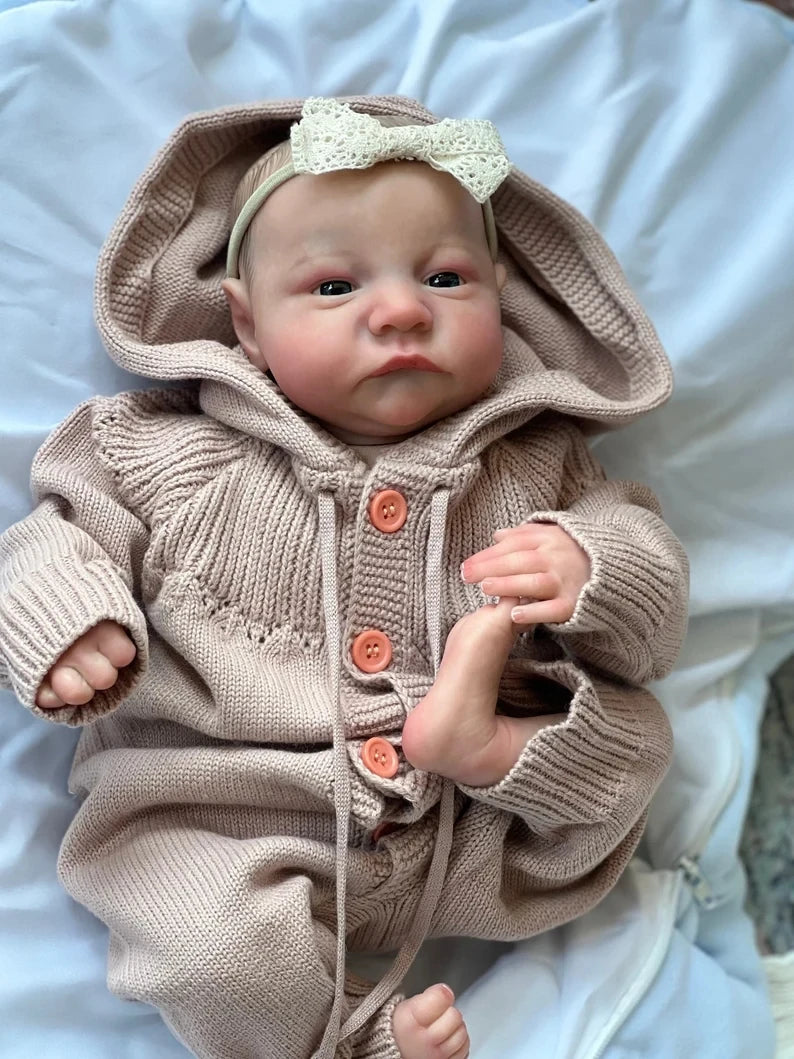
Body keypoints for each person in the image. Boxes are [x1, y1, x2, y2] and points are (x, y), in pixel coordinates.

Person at [0, 96, 688, 1059]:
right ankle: (350, 1043)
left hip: (479, 829)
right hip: (226, 819)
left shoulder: (541, 466)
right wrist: (66, 623)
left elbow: (654, 629)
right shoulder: (172, 453)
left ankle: (483, 739)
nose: (403, 310)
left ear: (501, 296)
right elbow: (50, 535)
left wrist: (596, 568)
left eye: (446, 277)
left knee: (637, 745)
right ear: (246, 325)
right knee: (206, 952)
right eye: (333, 286)